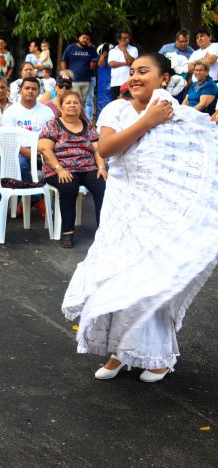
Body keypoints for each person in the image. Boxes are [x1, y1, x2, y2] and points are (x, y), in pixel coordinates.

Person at [62, 53, 217, 383]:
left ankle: (158, 357)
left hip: (159, 210)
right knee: (116, 275)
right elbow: (106, 149)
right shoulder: (116, 109)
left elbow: (200, 153)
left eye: (143, 71)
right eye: (131, 71)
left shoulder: (177, 115)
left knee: (151, 280)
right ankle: (119, 352)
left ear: (164, 79)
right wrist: (148, 121)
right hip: (122, 205)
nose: (133, 76)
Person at [38, 89, 107, 248]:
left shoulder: (87, 124)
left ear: (81, 106)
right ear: (60, 107)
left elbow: (97, 148)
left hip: (86, 167)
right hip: (59, 168)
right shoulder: (53, 124)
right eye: (68, 102)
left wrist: (101, 167)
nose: (72, 105)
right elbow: (44, 149)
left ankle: (104, 230)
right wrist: (59, 169)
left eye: (76, 102)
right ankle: (67, 232)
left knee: (102, 185)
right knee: (69, 186)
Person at [2, 77, 55, 218]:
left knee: (57, 164)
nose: (30, 91)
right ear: (20, 90)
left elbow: (52, 136)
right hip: (19, 151)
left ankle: (29, 201)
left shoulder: (47, 111)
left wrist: (42, 151)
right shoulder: (10, 111)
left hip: (43, 150)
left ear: (39, 92)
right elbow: (9, 140)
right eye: (27, 88)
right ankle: (38, 199)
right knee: (19, 164)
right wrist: (27, 152)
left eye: (34, 89)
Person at [61, 32, 98, 113]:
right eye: (83, 37)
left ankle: (80, 118)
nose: (85, 40)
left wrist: (93, 64)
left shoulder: (91, 50)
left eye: (87, 39)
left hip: (86, 81)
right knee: (76, 101)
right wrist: (65, 74)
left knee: (82, 103)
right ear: (79, 38)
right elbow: (64, 61)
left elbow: (94, 62)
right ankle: (75, 117)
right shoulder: (71, 48)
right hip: (74, 81)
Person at [108, 31, 138, 99]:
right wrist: (125, 63)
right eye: (124, 38)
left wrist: (124, 50)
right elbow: (112, 64)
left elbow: (130, 63)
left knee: (130, 102)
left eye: (128, 38)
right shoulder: (112, 51)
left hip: (129, 82)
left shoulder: (133, 49)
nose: (127, 40)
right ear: (119, 40)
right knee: (116, 103)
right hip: (116, 82)